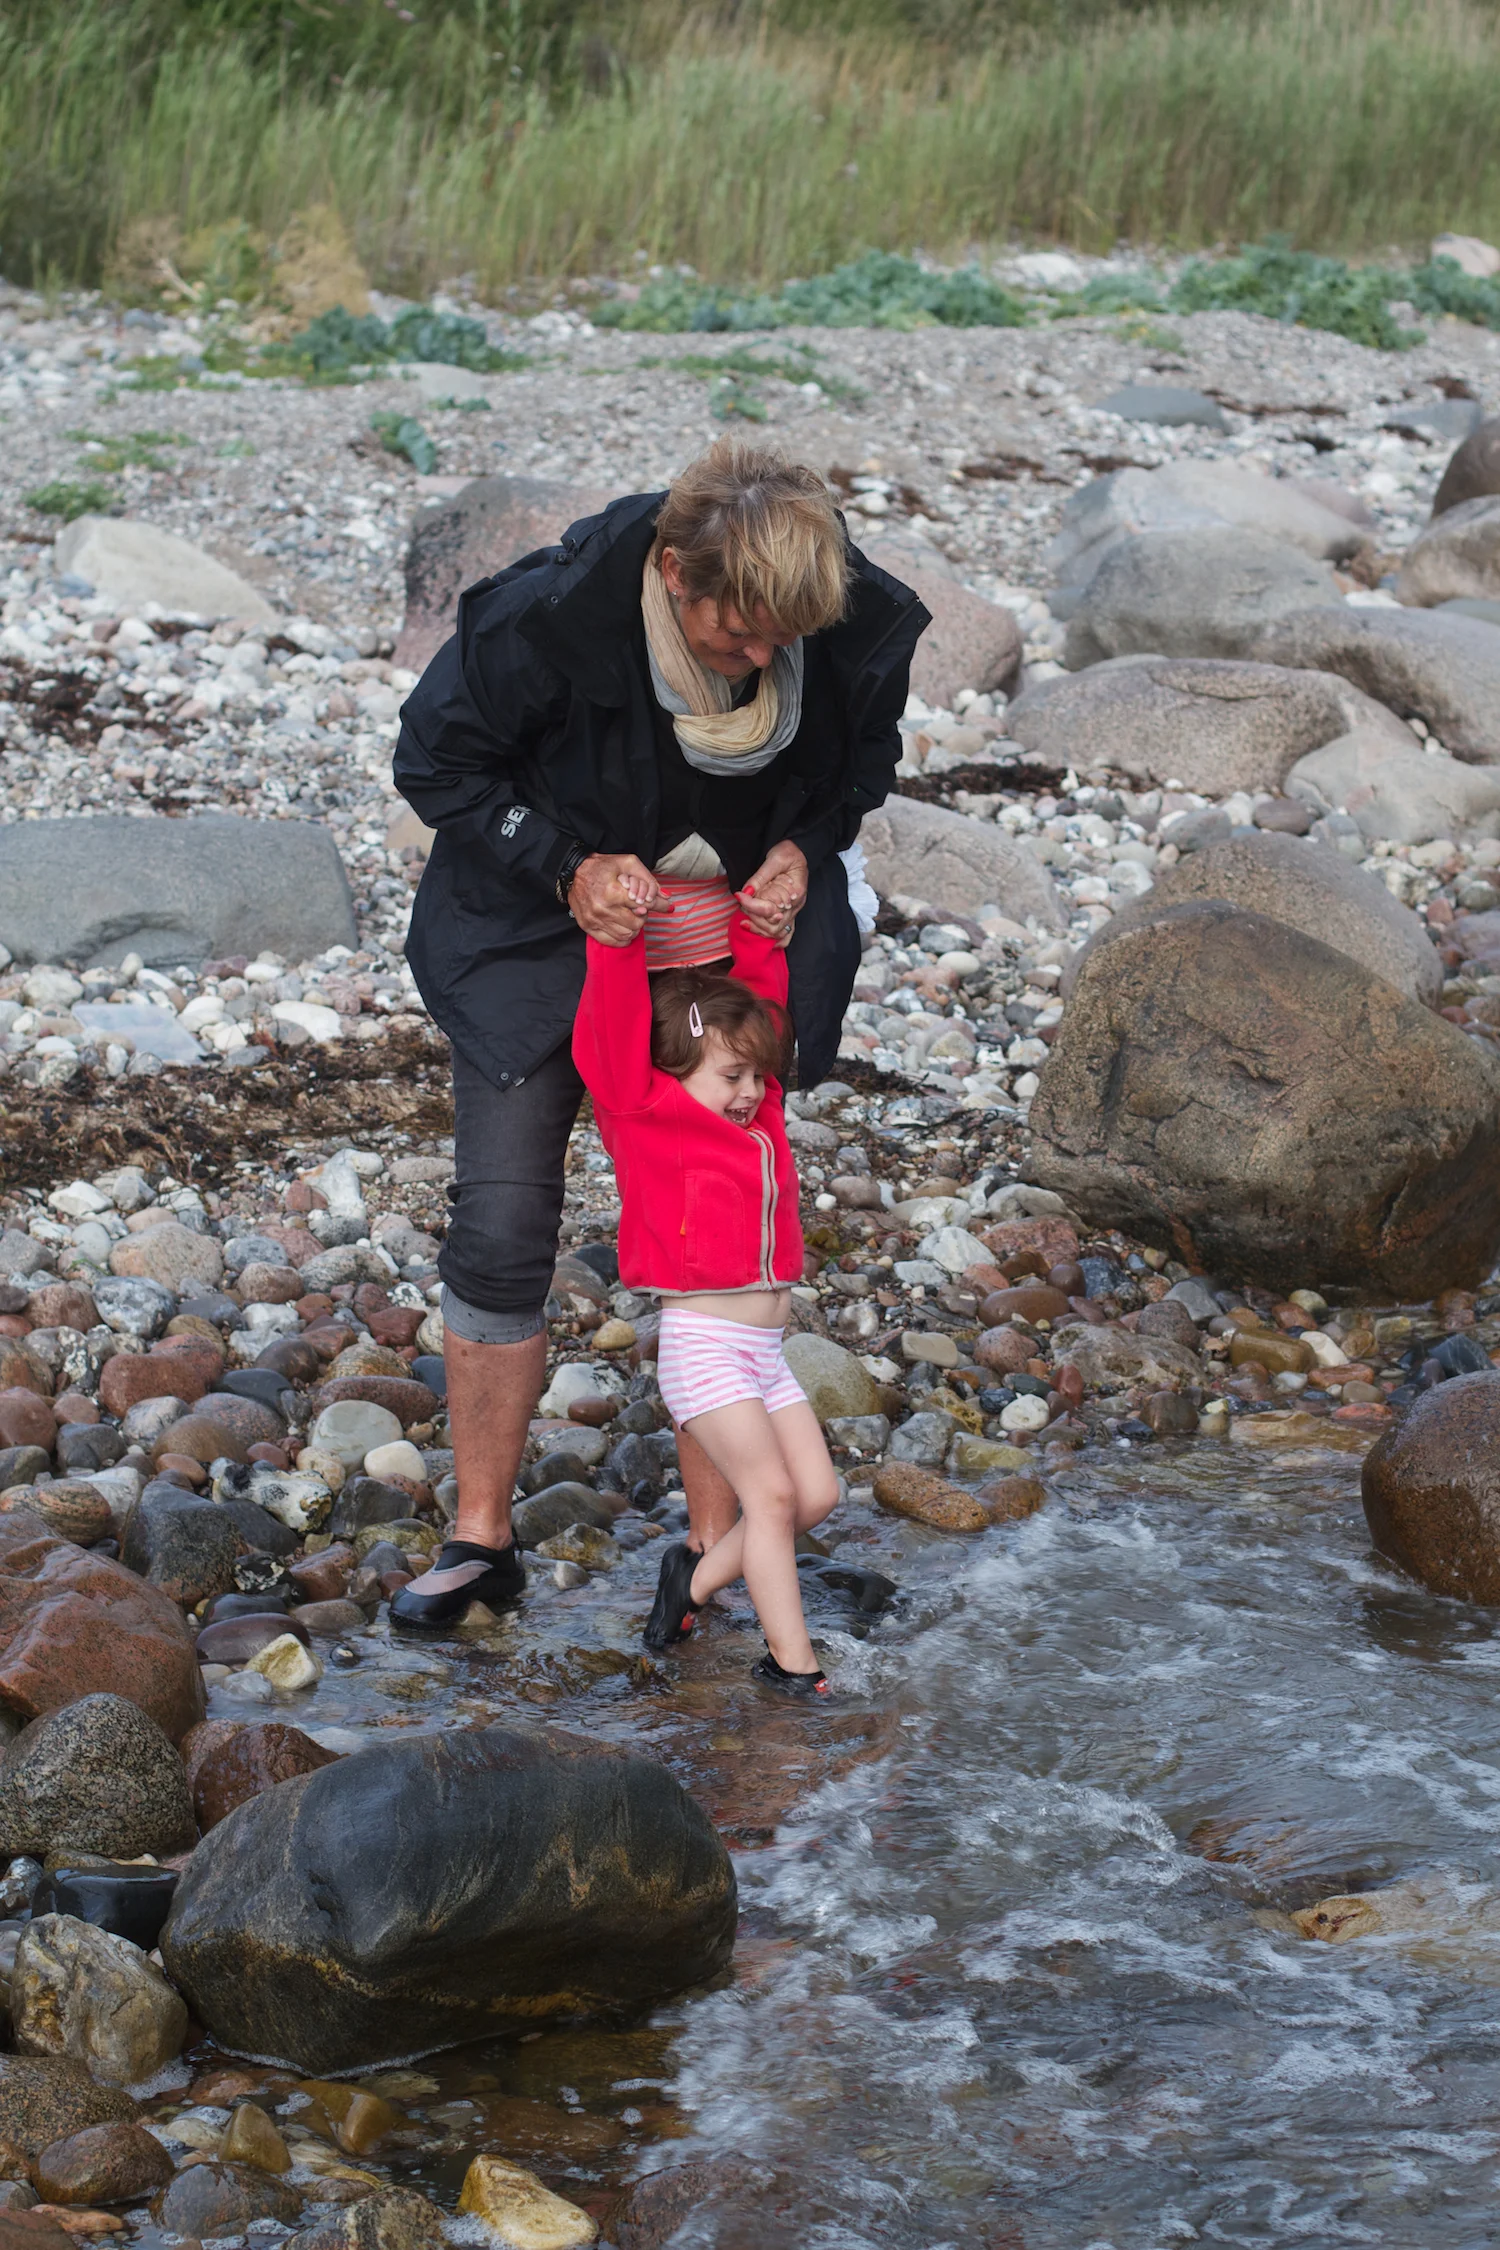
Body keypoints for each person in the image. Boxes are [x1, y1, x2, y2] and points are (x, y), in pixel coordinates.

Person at [388, 439, 928, 1629]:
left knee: (722, 1248)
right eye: (739, 635)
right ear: (676, 575)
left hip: (728, 958)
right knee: (502, 1221)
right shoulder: (546, 620)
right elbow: (435, 762)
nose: (764, 658)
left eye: (785, 640)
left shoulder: (835, 616)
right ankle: (482, 1539)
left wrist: (805, 844)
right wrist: (565, 864)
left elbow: (864, 762)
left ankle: (709, 1545)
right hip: (538, 940)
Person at [573, 908, 839, 1696]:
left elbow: (759, 1001)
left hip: (764, 1355)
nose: (751, 1093)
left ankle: (685, 1588)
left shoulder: (763, 1117)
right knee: (772, 1495)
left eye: (759, 1076)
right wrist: (615, 941)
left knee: (816, 1497)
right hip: (706, 1347)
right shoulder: (646, 1115)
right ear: (675, 1071)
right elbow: (612, 1029)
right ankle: (794, 1670)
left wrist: (759, 934)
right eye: (732, 1077)